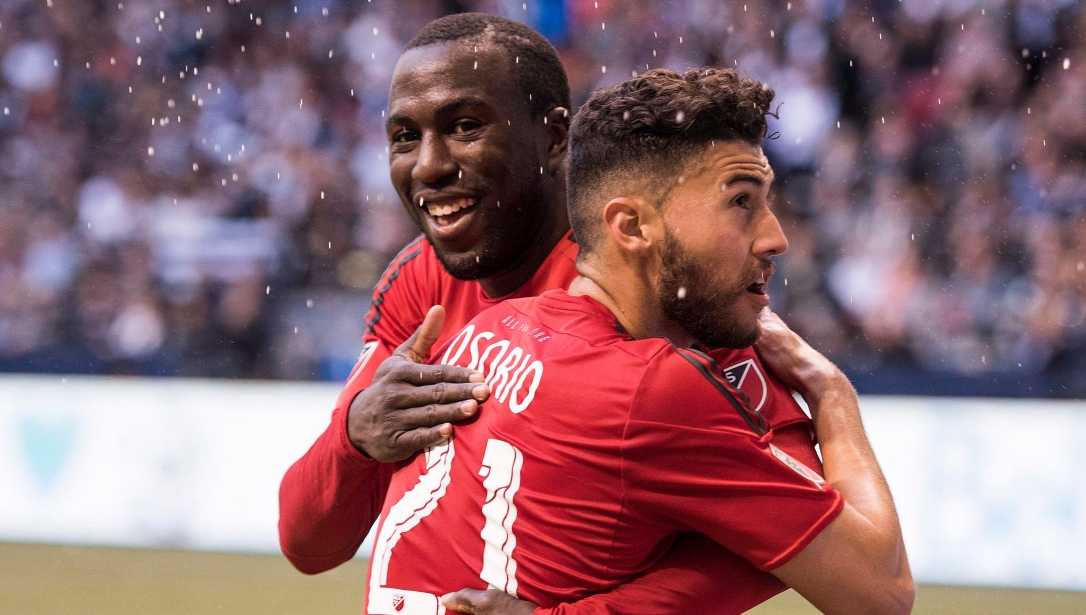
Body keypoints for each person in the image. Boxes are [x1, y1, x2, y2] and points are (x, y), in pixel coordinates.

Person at [279, 14, 822, 613]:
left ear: (555, 137)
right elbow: (308, 542)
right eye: (405, 136)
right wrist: (354, 436)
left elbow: (800, 524)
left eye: (464, 127)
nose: (429, 165)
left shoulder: (660, 289)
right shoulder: (419, 280)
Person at [365, 67, 914, 615]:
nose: (776, 237)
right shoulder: (650, 388)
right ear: (629, 227)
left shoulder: (488, 329)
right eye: (741, 202)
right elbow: (881, 592)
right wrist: (830, 390)